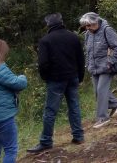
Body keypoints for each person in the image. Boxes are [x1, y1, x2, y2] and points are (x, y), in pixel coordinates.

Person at [28, 13, 85, 154]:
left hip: (56, 79)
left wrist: (45, 77)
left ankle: (46, 141)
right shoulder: (73, 37)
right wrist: (80, 77)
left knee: (50, 111)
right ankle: (78, 136)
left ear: (48, 25)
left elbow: (43, 64)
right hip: (72, 77)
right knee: (74, 107)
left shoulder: (45, 40)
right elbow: (81, 59)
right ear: (62, 22)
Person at [79, 12, 117, 128]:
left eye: (90, 25)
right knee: (97, 92)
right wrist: (88, 64)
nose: (88, 28)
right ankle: (115, 103)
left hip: (106, 67)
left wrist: (110, 61)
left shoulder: (107, 30)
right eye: (86, 26)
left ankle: (102, 118)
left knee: (101, 90)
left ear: (96, 22)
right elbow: (88, 51)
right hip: (93, 68)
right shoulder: (88, 34)